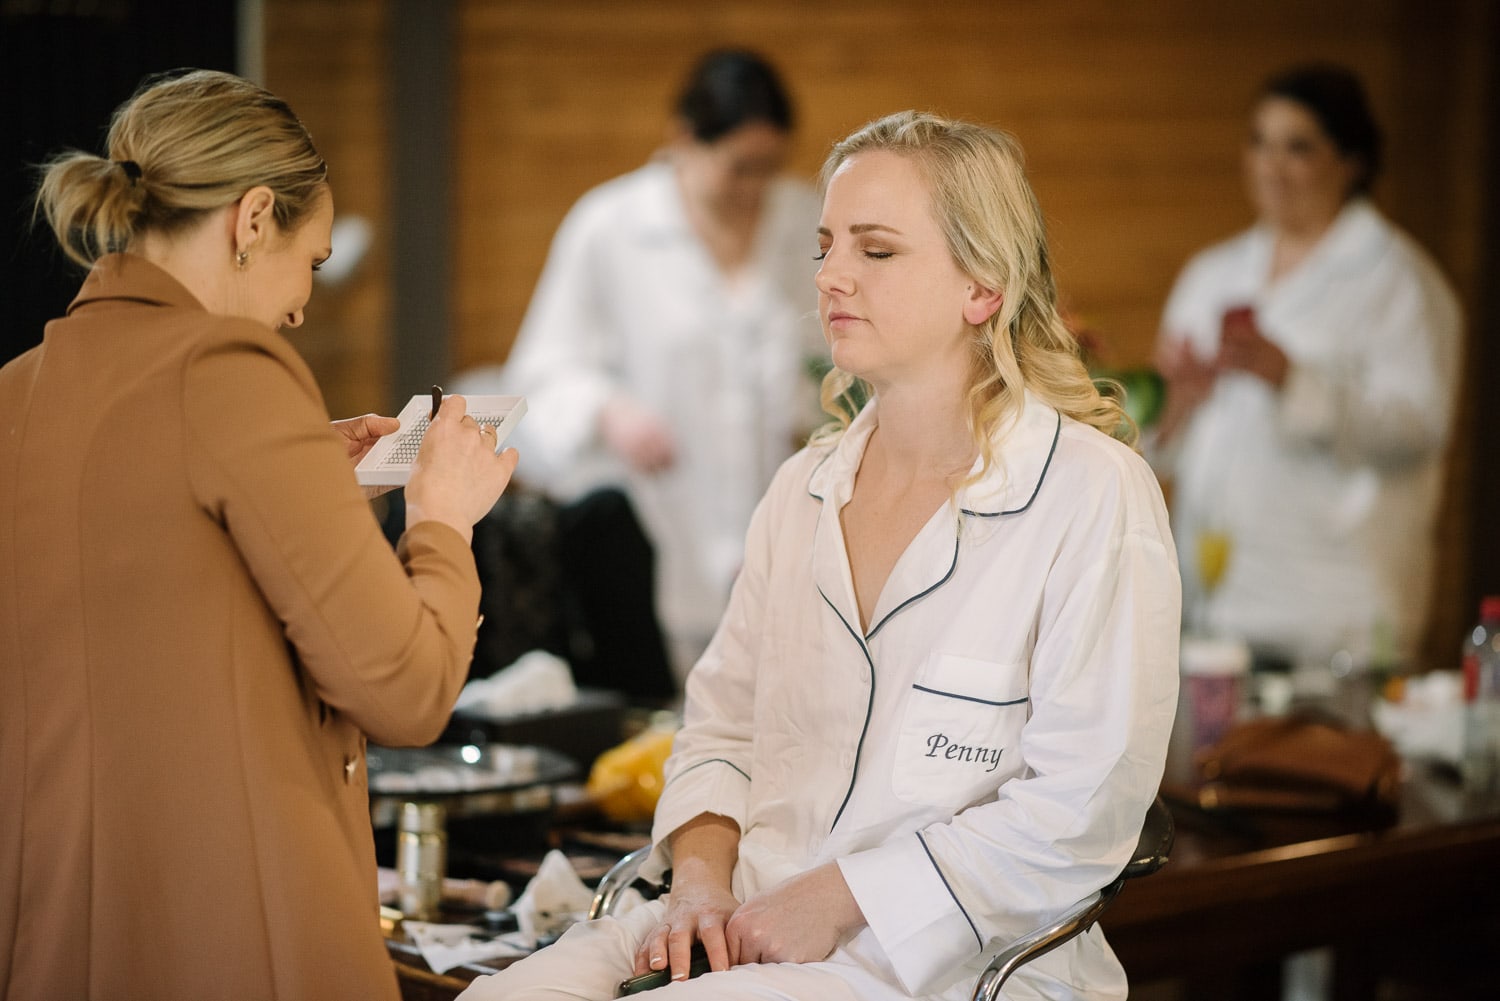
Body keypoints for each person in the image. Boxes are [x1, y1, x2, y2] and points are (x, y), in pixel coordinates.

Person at [460, 110, 1180, 1001]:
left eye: (876, 251)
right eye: (827, 245)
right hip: (740, 919)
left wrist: (844, 897)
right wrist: (697, 885)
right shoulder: (802, 489)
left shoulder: (1090, 494)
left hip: (946, 966)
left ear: (982, 286)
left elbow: (1083, 810)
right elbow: (721, 728)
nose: (831, 276)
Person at [0, 70, 517, 1001]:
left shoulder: (18, 390)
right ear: (251, 219)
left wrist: (302, 471)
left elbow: (144, 580)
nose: (302, 306)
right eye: (310, 262)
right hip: (240, 938)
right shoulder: (230, 370)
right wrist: (442, 517)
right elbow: (405, 693)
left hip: (58, 936)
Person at [486, 48, 825, 683]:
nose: (755, 188)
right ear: (682, 140)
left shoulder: (806, 220)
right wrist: (608, 408)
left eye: (770, 169)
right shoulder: (610, 226)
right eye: (739, 168)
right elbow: (539, 374)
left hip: (778, 531)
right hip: (662, 524)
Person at [1152, 64, 1462, 668]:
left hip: (1329, 609)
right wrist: (1176, 403)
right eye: (1260, 142)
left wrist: (1293, 379)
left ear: (1352, 162)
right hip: (1214, 602)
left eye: (1298, 148)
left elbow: (1419, 427)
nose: (1271, 166)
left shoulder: (1397, 281)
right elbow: (1163, 444)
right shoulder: (1212, 274)